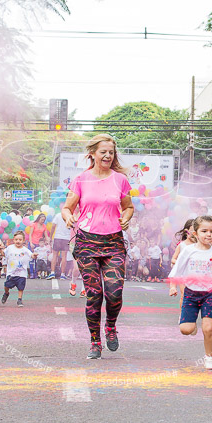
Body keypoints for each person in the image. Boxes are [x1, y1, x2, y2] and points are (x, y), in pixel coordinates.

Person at [61, 133, 133, 359]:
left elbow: (128, 206)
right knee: (94, 294)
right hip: (86, 242)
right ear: (92, 153)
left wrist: (127, 217)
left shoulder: (119, 180)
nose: (108, 156)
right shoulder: (81, 179)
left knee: (114, 292)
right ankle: (95, 342)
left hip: (113, 242)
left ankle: (110, 326)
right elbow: (67, 207)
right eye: (103, 152)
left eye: (111, 152)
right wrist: (68, 217)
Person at [169, 215, 212, 370]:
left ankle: (209, 357)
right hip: (190, 294)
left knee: (208, 328)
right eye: (204, 231)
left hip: (209, 294)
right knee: (186, 330)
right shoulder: (188, 251)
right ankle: (192, 324)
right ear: (195, 233)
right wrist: (173, 287)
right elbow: (177, 271)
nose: (208, 234)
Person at [1, 230, 34, 307]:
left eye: (20, 240)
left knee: (21, 287)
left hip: (22, 273)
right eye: (16, 240)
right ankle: (6, 293)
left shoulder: (25, 250)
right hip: (11, 273)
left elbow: (31, 255)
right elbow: (3, 253)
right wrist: (0, 250)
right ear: (13, 240)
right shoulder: (10, 248)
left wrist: (34, 255)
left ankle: (19, 299)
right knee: (7, 285)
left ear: (23, 240)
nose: (18, 241)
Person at [50, 208, 73, 280]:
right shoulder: (70, 216)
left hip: (58, 237)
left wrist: (51, 237)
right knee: (64, 257)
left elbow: (53, 226)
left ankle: (52, 272)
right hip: (66, 238)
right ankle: (62, 274)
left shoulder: (58, 215)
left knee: (55, 256)